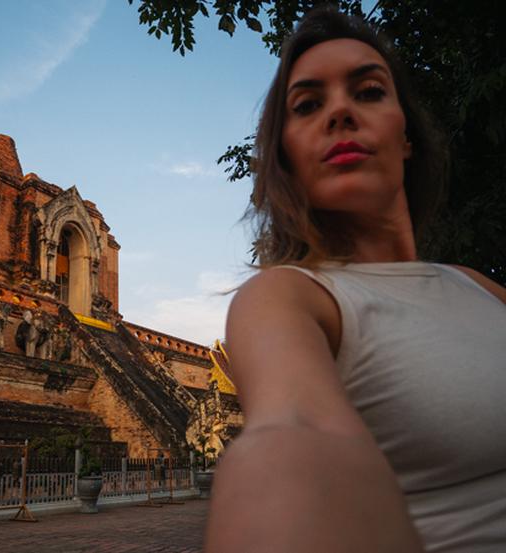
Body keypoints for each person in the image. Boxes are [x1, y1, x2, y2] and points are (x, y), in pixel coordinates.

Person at [205, 7, 506, 553]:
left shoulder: (479, 287)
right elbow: (293, 435)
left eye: (368, 92)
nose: (340, 110)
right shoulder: (290, 296)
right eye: (308, 105)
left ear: (407, 135)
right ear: (287, 158)